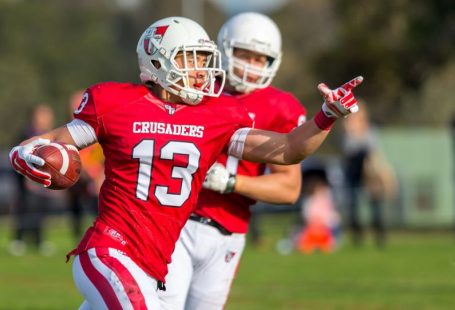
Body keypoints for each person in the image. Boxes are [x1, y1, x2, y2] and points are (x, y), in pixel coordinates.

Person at [8, 16, 363, 309]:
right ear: (159, 60)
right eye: (190, 59)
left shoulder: (215, 116)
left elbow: (287, 149)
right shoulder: (116, 104)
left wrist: (326, 117)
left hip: (152, 265)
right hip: (109, 250)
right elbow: (47, 143)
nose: (201, 71)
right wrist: (24, 154)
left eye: (204, 60)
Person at [158, 12, 305, 310]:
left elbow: (289, 188)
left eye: (259, 59)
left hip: (228, 232)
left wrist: (231, 182)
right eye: (244, 54)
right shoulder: (194, 90)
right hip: (177, 223)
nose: (250, 66)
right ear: (225, 48)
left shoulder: (280, 107)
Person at [8, 104, 61, 256]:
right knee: (25, 208)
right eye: (42, 115)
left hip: (42, 181)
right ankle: (19, 239)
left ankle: (39, 239)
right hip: (25, 180)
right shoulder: (26, 134)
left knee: (41, 209)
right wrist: (26, 176)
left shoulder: (51, 135)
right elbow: (17, 154)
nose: (45, 119)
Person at [341, 104, 396, 248]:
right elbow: (348, 149)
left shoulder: (370, 132)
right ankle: (358, 238)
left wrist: (382, 176)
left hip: (370, 174)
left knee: (376, 207)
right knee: (353, 208)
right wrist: (350, 130)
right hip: (353, 174)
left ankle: (380, 237)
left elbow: (373, 153)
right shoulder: (347, 134)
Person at [66, 90, 104, 239]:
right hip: (79, 176)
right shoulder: (70, 132)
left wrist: (99, 176)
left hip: (94, 177)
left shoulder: (98, 130)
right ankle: (77, 234)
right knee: (75, 207)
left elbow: (102, 157)